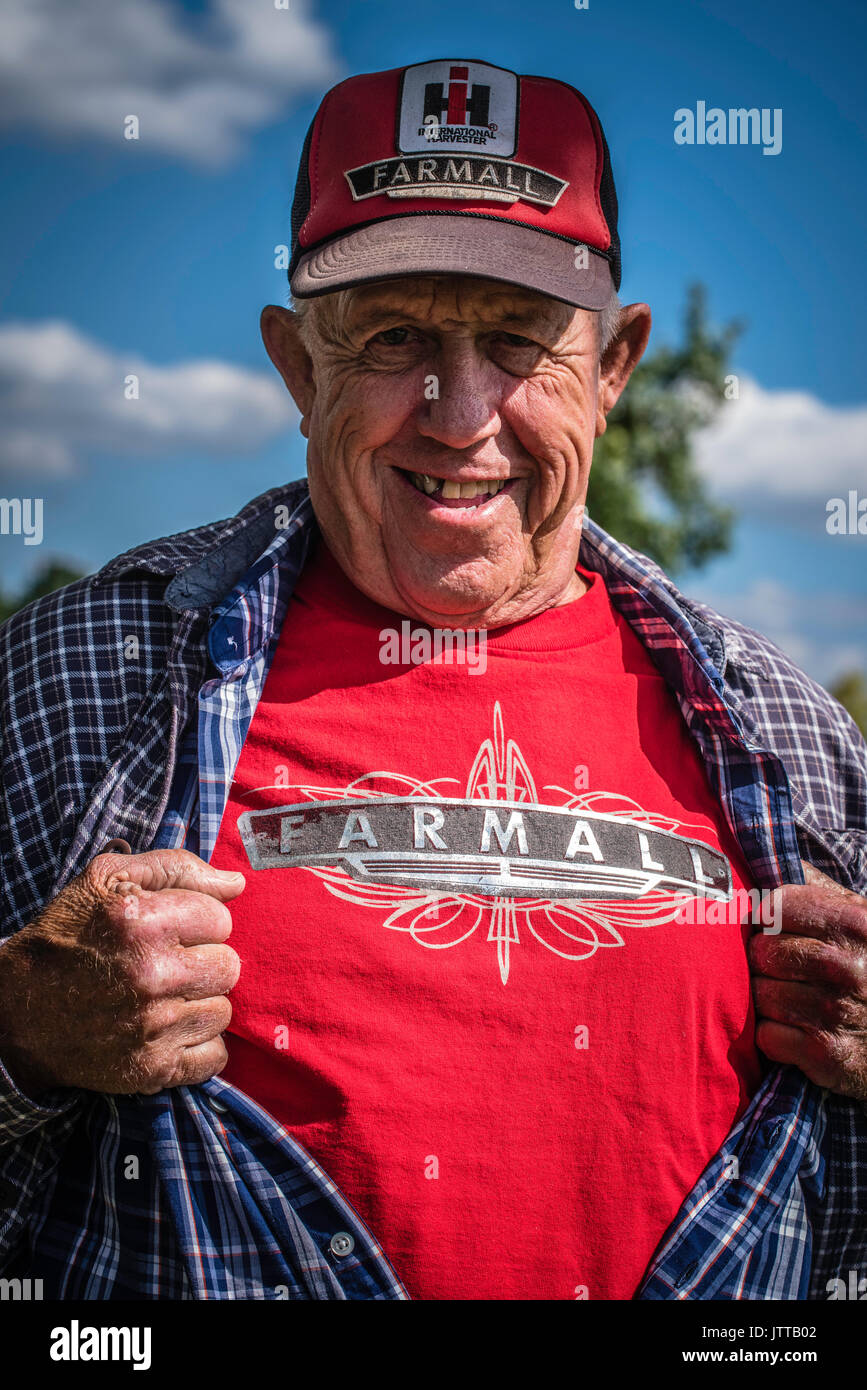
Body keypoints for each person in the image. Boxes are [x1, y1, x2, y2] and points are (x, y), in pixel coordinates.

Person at [0, 58, 865, 1301]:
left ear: (615, 368)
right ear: (300, 369)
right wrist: (20, 1034)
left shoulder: (793, 737)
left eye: (518, 344)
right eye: (395, 337)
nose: (460, 418)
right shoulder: (77, 678)